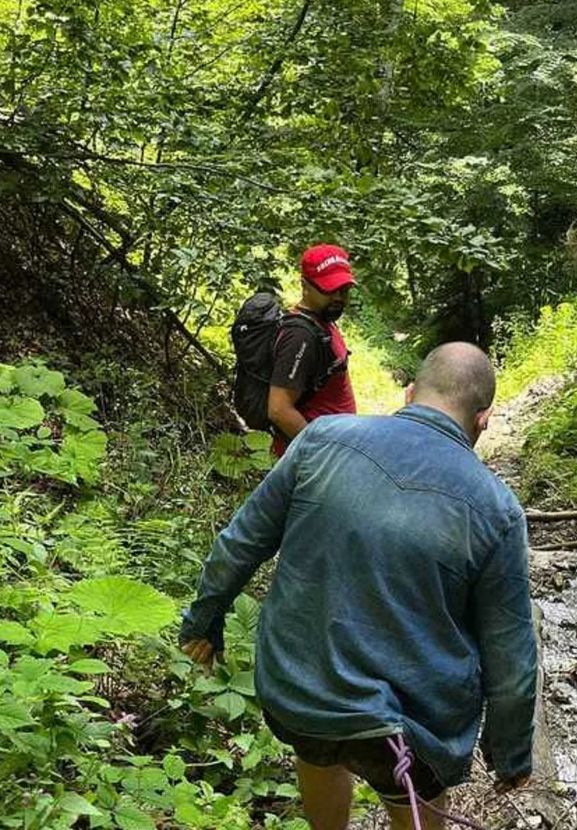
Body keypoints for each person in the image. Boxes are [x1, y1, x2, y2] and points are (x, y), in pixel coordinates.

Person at [180, 343, 536, 830]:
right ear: (485, 419)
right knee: (407, 787)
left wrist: (204, 621)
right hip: (403, 728)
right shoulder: (498, 510)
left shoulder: (321, 437)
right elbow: (511, 654)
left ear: (409, 393)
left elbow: (240, 541)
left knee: (319, 749)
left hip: (297, 693)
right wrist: (510, 753)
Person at [267, 244, 358, 456]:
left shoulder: (323, 320)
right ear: (305, 286)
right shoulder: (300, 337)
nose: (338, 297)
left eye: (343, 290)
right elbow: (279, 410)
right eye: (328, 289)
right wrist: (320, 453)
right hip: (311, 460)